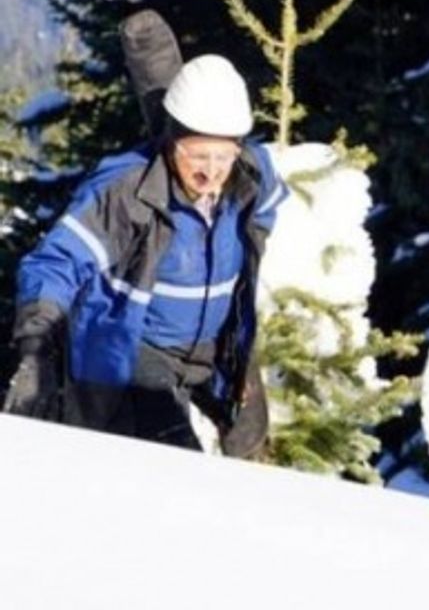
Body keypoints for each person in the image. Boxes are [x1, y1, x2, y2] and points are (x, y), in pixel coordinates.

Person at [4, 53, 287, 458]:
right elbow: (55, 263)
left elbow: (267, 210)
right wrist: (37, 343)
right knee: (175, 460)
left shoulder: (252, 175)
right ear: (171, 143)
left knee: (251, 444)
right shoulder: (126, 191)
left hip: (218, 345)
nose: (211, 172)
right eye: (198, 156)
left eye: (223, 156)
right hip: (138, 349)